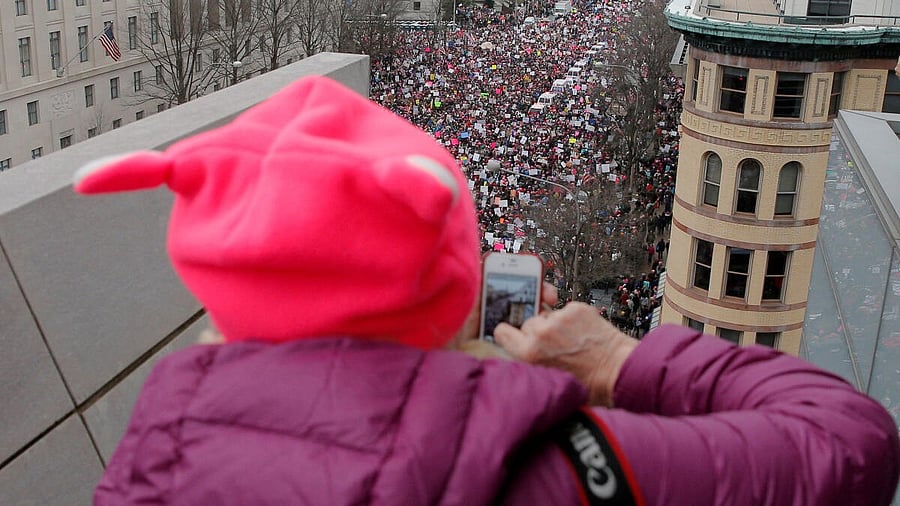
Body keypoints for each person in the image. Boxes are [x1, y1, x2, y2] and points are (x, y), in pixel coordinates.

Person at [75, 76, 899, 505]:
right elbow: (850, 446)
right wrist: (616, 363)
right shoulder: (562, 469)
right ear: (450, 273)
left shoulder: (137, 480)